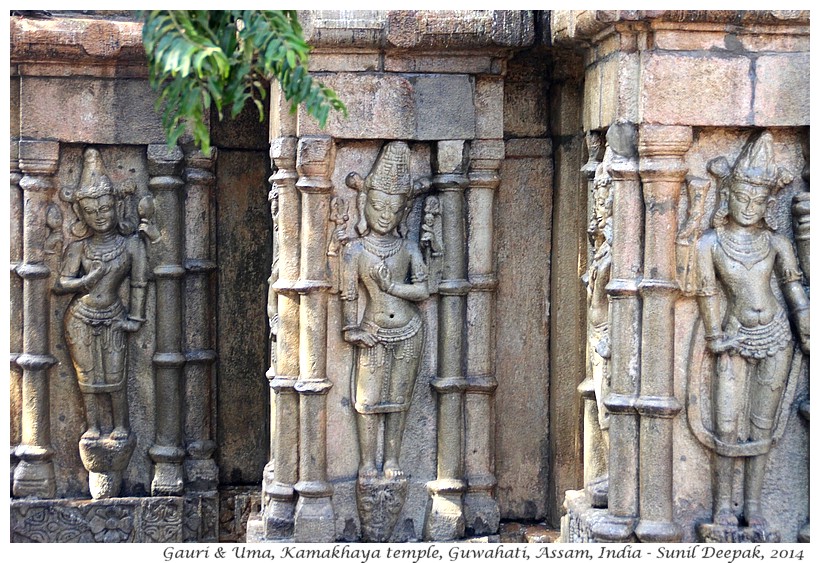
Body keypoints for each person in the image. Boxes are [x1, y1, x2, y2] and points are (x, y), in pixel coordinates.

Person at [695, 132, 809, 529]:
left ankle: (754, 504)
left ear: (767, 204)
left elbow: (793, 285)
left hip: (776, 334)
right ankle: (724, 505)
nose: (749, 206)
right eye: (742, 198)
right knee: (727, 421)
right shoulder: (709, 243)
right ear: (727, 197)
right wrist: (713, 334)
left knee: (763, 422)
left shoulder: (776, 242)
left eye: (758, 200)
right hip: (733, 336)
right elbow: (707, 292)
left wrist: (805, 313)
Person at [341, 141, 429, 480]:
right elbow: (348, 297)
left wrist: (392, 287)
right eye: (377, 206)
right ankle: (366, 462)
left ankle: (392, 460)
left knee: (399, 401)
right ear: (364, 203)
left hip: (409, 330)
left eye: (392, 210)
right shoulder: (355, 250)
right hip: (374, 330)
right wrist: (353, 329)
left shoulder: (407, 249)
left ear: (403, 213)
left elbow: (423, 290)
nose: (383, 215)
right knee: (367, 400)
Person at [54, 148, 148, 442]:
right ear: (80, 213)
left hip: (114, 316)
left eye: (105, 209)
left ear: (117, 208)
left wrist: (135, 317)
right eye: (91, 212)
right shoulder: (79, 248)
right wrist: (87, 279)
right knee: (88, 378)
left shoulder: (131, 245)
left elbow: (139, 283)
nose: (99, 217)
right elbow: (60, 284)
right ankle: (93, 427)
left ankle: (121, 426)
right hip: (80, 316)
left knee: (115, 377)